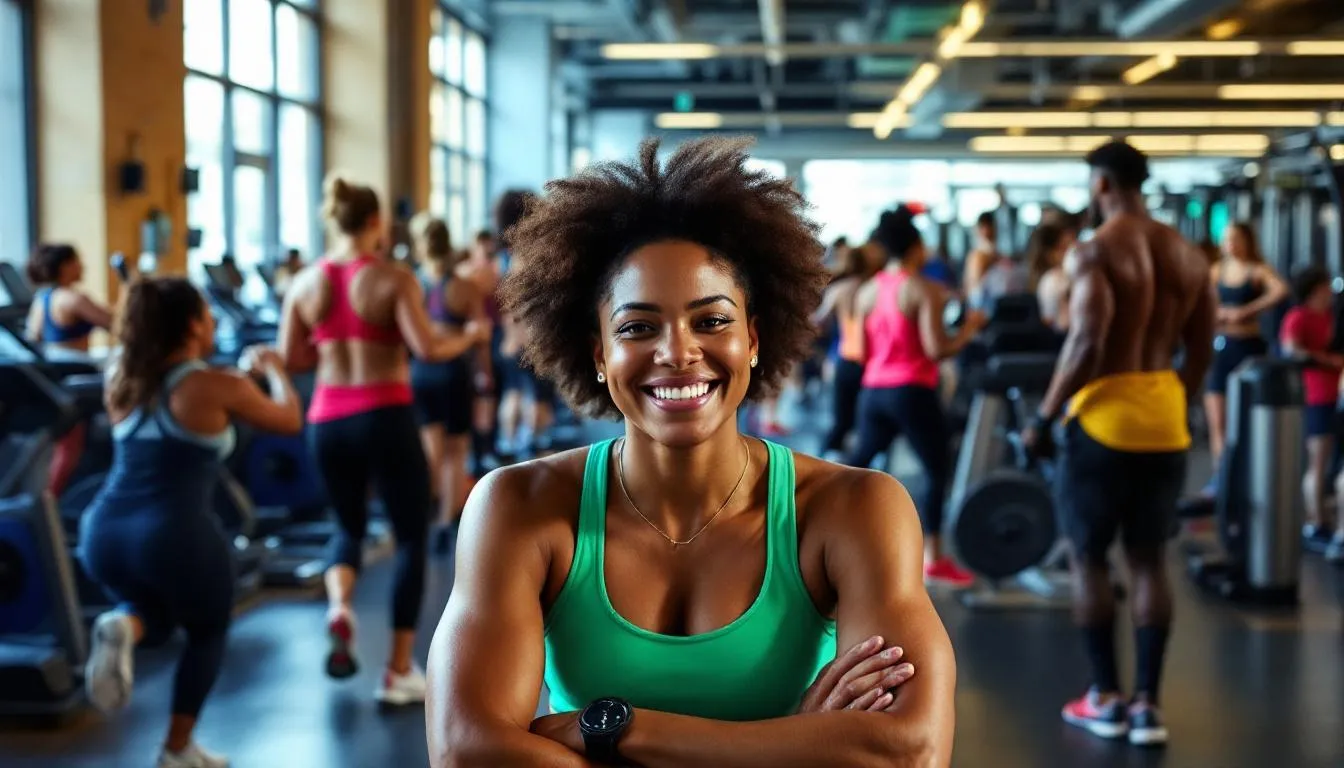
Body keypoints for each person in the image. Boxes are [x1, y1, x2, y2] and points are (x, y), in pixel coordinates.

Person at [426, 137, 956, 767]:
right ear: (598, 353)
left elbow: (908, 752)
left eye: (711, 321)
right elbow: (468, 754)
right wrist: (795, 746)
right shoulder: (516, 506)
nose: (678, 352)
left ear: (754, 340)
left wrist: (615, 732)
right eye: (637, 327)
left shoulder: (855, 508)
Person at [1022, 140, 1215, 747]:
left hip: (1104, 422)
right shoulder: (1187, 254)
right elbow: (1203, 347)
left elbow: (1085, 343)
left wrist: (1045, 417)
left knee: (1089, 557)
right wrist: (1173, 395)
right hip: (1165, 419)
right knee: (1150, 560)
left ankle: (1104, 696)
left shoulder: (1095, 251)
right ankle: (1148, 707)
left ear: (1102, 185)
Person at [277, 173, 487, 703]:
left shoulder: (306, 283)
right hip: (385, 412)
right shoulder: (393, 280)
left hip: (328, 419)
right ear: (374, 222)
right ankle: (396, 669)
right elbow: (426, 349)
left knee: (346, 528)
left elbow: (292, 357)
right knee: (411, 538)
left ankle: (339, 606)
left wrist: (330, 345)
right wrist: (469, 336)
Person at [78, 277, 302, 768]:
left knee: (154, 614)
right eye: (207, 314)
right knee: (207, 629)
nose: (214, 321)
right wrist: (273, 371)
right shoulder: (214, 385)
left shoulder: (123, 373)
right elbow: (288, 420)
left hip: (103, 533)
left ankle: (123, 624)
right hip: (172, 534)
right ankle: (177, 748)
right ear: (191, 325)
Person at [844, 206, 987, 588]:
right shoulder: (924, 289)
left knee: (854, 470)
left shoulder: (868, 289)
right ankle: (934, 558)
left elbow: (858, 350)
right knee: (937, 470)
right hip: (911, 391)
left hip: (873, 391)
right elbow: (938, 349)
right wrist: (969, 329)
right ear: (917, 247)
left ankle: (833, 545)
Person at [408, 212, 490, 553]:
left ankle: (421, 517)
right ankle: (444, 521)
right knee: (455, 454)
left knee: (431, 452)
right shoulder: (464, 287)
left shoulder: (411, 284)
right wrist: (485, 379)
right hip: (454, 373)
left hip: (420, 374)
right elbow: (481, 336)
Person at [1202, 222, 1288, 491]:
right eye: (1227, 239)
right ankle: (1222, 478)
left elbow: (1281, 290)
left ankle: (1250, 478)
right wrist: (1217, 314)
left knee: (1249, 420)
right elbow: (1201, 299)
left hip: (1248, 349)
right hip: (1221, 348)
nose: (1231, 244)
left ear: (1247, 241)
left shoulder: (1256, 271)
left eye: (1236, 239)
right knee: (1218, 420)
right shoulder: (1217, 271)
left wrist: (1247, 311)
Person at [24, 243, 114, 498]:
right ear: (65, 266)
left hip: (57, 372)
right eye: (77, 262)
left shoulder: (42, 299)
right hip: (80, 370)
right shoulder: (74, 298)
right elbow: (116, 325)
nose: (82, 267)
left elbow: (33, 338)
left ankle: (52, 496)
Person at [1278, 266, 1344, 562]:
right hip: (1316, 393)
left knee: (1332, 461)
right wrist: (1325, 360)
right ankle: (1315, 522)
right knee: (1317, 460)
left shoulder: (1331, 316)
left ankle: (1328, 522)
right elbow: (1291, 350)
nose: (1329, 290)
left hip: (1337, 393)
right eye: (1325, 286)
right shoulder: (1298, 317)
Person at [811, 242, 880, 460]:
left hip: (843, 358)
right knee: (865, 420)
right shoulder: (873, 288)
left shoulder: (838, 290)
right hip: (871, 362)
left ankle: (821, 465)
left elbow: (817, 323)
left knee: (840, 420)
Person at [1027, 222, 1078, 331]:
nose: (1073, 251)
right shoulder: (1055, 280)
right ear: (1051, 253)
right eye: (1066, 247)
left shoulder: (1044, 279)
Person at [960, 210, 1000, 297]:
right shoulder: (977, 256)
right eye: (983, 228)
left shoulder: (994, 255)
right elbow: (971, 286)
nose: (986, 232)